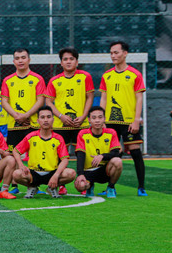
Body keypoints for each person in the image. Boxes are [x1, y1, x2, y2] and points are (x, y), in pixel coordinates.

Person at [44, 47, 94, 195]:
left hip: (81, 123)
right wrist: (61, 116)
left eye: (71, 59)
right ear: (61, 63)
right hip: (61, 124)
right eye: (65, 59)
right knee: (59, 156)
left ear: (77, 62)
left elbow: (90, 97)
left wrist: (84, 116)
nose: (68, 61)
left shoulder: (85, 77)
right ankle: (60, 185)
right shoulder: (54, 80)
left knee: (82, 154)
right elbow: (49, 102)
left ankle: (84, 183)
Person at [100, 41, 147, 196]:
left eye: (116, 52)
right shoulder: (106, 75)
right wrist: (101, 118)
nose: (113, 55)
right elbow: (104, 99)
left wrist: (136, 119)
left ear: (125, 53)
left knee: (135, 153)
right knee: (111, 154)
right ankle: (110, 186)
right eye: (111, 53)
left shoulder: (135, 74)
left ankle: (141, 187)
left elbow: (139, 98)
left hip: (128, 121)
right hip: (110, 121)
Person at [1, 48, 45, 194]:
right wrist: (16, 115)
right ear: (13, 61)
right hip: (14, 124)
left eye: (23, 57)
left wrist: (26, 115)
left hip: (32, 123)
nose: (20, 60)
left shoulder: (37, 79)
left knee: (33, 154)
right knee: (13, 153)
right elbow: (4, 101)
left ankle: (33, 184)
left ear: (29, 60)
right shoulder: (8, 80)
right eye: (17, 58)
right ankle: (14, 185)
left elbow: (40, 100)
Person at [11, 106, 76, 198]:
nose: (46, 120)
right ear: (38, 121)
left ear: (53, 120)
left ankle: (52, 187)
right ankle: (32, 187)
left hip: (52, 173)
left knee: (71, 173)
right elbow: (16, 151)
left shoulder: (58, 138)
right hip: (33, 173)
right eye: (42, 117)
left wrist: (56, 175)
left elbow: (65, 159)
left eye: (48, 117)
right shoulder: (31, 136)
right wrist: (21, 165)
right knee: (16, 174)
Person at [73, 106, 123, 198]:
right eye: (94, 118)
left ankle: (111, 187)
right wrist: (80, 174)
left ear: (104, 119)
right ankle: (89, 186)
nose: (97, 120)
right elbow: (80, 155)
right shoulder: (83, 134)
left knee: (118, 161)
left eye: (100, 117)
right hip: (88, 171)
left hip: (104, 170)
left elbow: (116, 153)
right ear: (89, 120)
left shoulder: (111, 132)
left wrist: (102, 156)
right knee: (80, 186)